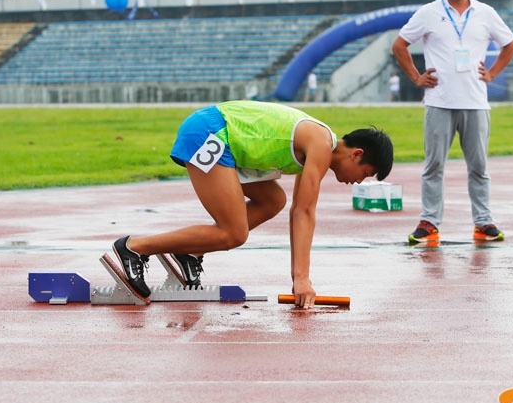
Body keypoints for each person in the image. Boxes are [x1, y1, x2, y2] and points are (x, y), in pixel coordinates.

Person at [110, 100, 394, 308]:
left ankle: (189, 252)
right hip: (210, 132)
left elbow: (297, 208)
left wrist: (300, 276)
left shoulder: (319, 143)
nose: (359, 182)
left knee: (273, 200)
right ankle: (134, 248)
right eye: (366, 175)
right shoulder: (321, 144)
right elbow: (304, 212)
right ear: (356, 154)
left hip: (222, 137)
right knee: (233, 233)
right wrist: (301, 279)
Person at [391, 0, 513, 245]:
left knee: (479, 167)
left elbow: (510, 44)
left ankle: (483, 222)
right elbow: (399, 45)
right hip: (439, 100)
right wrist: (416, 77)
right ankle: (430, 222)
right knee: (434, 165)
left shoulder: (485, 13)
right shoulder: (429, 13)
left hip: (475, 101)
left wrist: (493, 73)